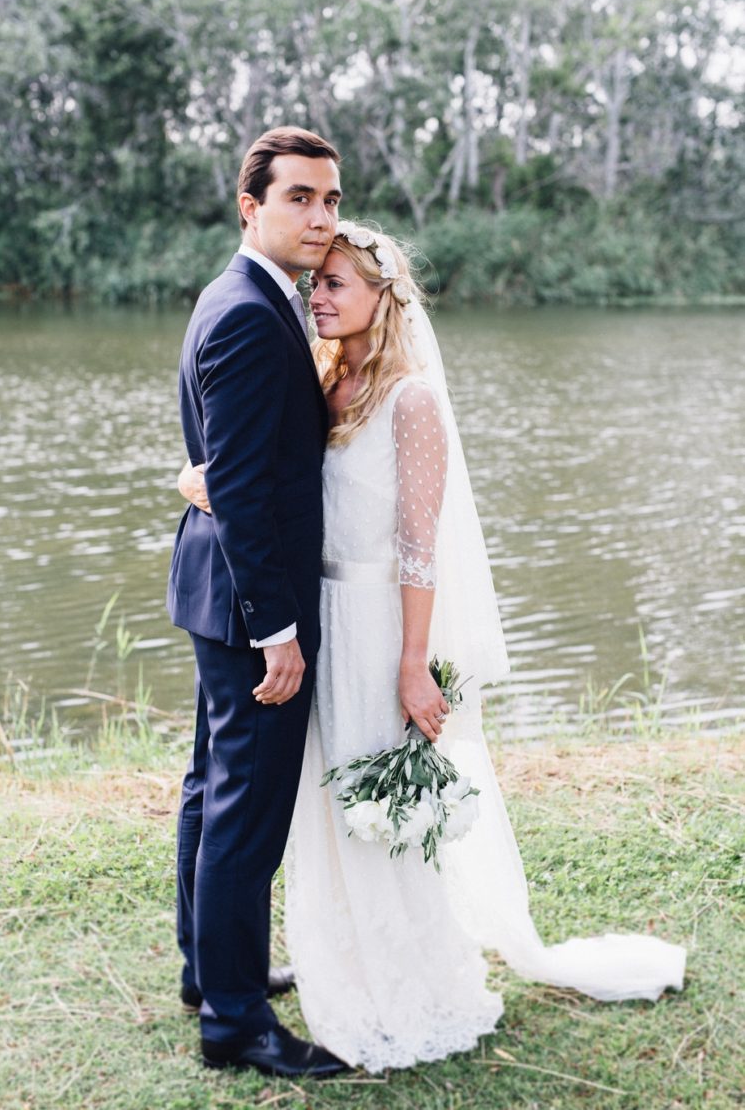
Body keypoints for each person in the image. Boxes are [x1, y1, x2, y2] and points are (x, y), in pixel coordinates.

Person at [178, 220, 687, 1072]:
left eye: (339, 282)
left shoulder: (411, 400)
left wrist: (415, 663)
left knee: (375, 818)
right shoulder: (323, 378)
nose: (321, 295)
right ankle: (328, 960)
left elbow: (420, 548)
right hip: (317, 621)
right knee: (320, 809)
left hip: (376, 628)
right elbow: (255, 471)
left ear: (386, 296)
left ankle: (403, 979)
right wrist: (197, 479)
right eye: (319, 282)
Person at [166, 126, 347, 1078]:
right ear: (252, 206)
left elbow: (219, 459)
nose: (320, 217)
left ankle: (211, 972)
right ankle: (234, 1023)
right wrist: (276, 630)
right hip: (248, 605)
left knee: (212, 788)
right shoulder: (245, 310)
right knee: (245, 807)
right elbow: (237, 481)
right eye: (299, 198)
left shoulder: (241, 298)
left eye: (329, 199)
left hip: (216, 588)